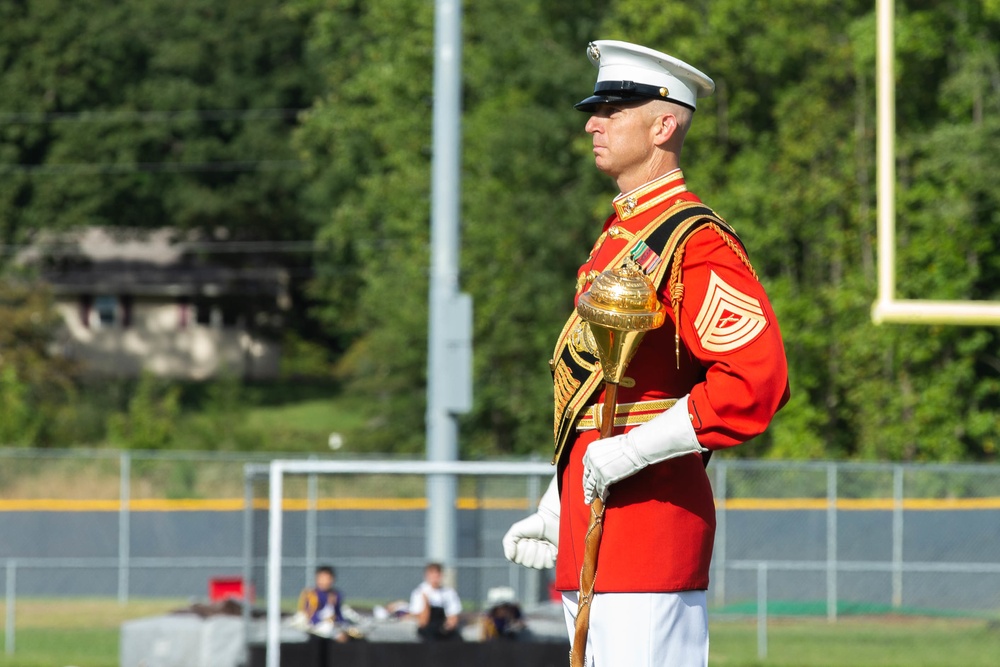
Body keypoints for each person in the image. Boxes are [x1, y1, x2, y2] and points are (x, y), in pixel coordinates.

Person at [502, 40, 790, 666]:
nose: (592, 123)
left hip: (651, 526)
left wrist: (632, 451)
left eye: (613, 109)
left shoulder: (695, 243)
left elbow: (754, 382)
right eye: (595, 108)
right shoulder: (620, 238)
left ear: (663, 124)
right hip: (591, 529)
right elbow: (594, 395)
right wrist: (558, 501)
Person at [408, 562, 463, 641]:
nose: (435, 577)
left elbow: (453, 616)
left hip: (442, 627)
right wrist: (426, 601)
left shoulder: (449, 593)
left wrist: (447, 627)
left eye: (437, 574)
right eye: (432, 573)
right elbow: (423, 622)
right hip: (427, 629)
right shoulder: (419, 592)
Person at [297, 565, 348, 640]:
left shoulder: (335, 595)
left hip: (331, 626)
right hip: (314, 627)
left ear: (332, 579)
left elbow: (339, 615)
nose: (323, 581)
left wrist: (336, 620)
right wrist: (325, 620)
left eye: (326, 579)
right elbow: (309, 616)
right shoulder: (312, 595)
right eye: (321, 578)